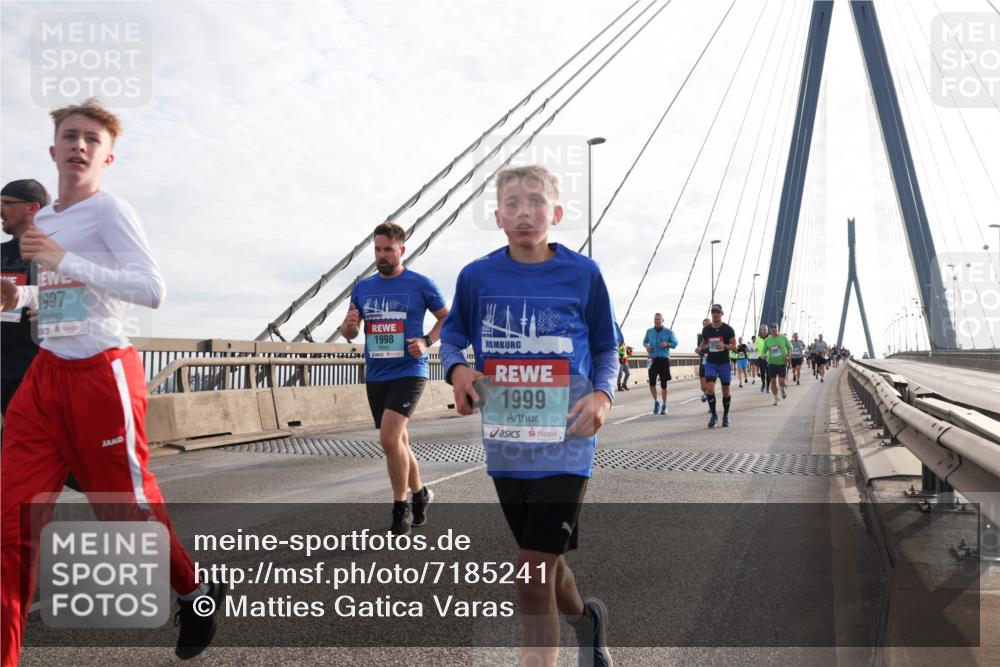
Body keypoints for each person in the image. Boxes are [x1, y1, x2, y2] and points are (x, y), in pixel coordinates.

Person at [0, 99, 223, 665]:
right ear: (53, 150)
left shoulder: (110, 211)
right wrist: (20, 296)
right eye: (70, 135)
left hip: (101, 375)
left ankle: (195, 592)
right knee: (9, 527)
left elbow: (151, 290)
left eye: (92, 139)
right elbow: (65, 299)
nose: (79, 144)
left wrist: (63, 259)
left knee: (125, 513)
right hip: (44, 378)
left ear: (107, 157)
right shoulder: (47, 221)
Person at [439, 165, 616, 666]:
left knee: (530, 572)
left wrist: (602, 397)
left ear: (555, 213)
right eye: (512, 204)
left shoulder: (584, 274)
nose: (523, 212)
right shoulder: (476, 277)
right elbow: (452, 338)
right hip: (508, 447)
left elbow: (607, 347)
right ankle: (587, 620)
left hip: (567, 444)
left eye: (535, 202)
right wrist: (458, 370)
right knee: (546, 567)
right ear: (498, 217)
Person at [340, 222, 449, 536]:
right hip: (376, 373)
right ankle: (421, 493)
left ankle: (400, 508)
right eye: (377, 249)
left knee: (389, 439)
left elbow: (447, 317)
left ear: (401, 250)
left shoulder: (420, 284)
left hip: (410, 370)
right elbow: (349, 331)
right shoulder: (363, 288)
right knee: (399, 441)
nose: (382, 255)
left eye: (388, 249)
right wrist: (350, 326)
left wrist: (427, 341)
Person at [1, 180, 48, 415]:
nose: (1, 210)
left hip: (35, 372)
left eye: (6, 203)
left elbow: (78, 304)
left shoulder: (57, 253)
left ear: (33, 207)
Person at [698, 304, 737, 428]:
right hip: (711, 363)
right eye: (713, 312)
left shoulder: (728, 329)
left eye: (717, 312)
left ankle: (725, 415)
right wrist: (699, 348)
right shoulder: (706, 330)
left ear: (722, 314)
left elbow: (734, 346)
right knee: (710, 389)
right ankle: (714, 416)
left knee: (726, 391)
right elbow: (704, 343)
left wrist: (725, 346)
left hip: (724, 363)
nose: (715, 314)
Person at [643, 312, 678, 415]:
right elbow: (644, 342)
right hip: (652, 360)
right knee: (652, 383)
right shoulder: (649, 331)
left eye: (659, 319)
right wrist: (647, 347)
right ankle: (656, 402)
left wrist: (667, 344)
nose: (657, 321)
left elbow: (675, 343)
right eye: (656, 319)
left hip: (663, 359)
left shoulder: (669, 332)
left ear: (662, 320)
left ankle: (665, 405)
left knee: (664, 384)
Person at [762, 323, 792, 405]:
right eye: (771, 328)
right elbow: (764, 350)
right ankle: (776, 398)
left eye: (775, 327)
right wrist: (763, 355)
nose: (773, 329)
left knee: (782, 381)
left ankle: (782, 389)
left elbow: (790, 347)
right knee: (773, 382)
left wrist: (788, 355)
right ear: (770, 330)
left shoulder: (783, 337)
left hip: (782, 362)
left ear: (777, 329)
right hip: (771, 363)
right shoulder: (767, 340)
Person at [696, 318, 711, 407]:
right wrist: (698, 350)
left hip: (712, 361)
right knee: (703, 387)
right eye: (704, 324)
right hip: (703, 360)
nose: (706, 326)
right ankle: (706, 393)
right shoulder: (700, 336)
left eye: (707, 324)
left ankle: (711, 405)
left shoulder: (714, 335)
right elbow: (699, 349)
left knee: (710, 384)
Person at [754, 324, 769, 393]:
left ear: (767, 330)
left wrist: (767, 355)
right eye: (763, 330)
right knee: (762, 373)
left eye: (765, 329)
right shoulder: (758, 339)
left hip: (769, 358)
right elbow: (755, 347)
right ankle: (763, 384)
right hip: (761, 358)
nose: (764, 331)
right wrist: (756, 349)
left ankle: (768, 386)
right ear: (761, 331)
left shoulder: (770, 338)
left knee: (768, 373)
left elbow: (772, 347)